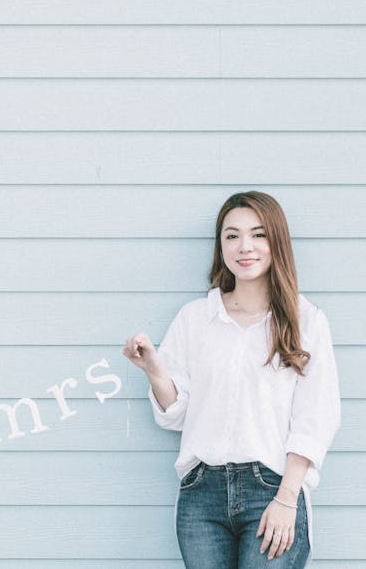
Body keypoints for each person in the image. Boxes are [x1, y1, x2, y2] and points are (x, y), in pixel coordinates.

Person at [123, 191, 340, 568]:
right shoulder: (195, 318)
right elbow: (175, 413)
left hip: (272, 489)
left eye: (258, 235)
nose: (245, 247)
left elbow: (316, 419)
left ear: (276, 241)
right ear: (220, 245)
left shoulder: (306, 321)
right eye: (232, 235)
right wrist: (155, 370)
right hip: (201, 494)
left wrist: (287, 498)